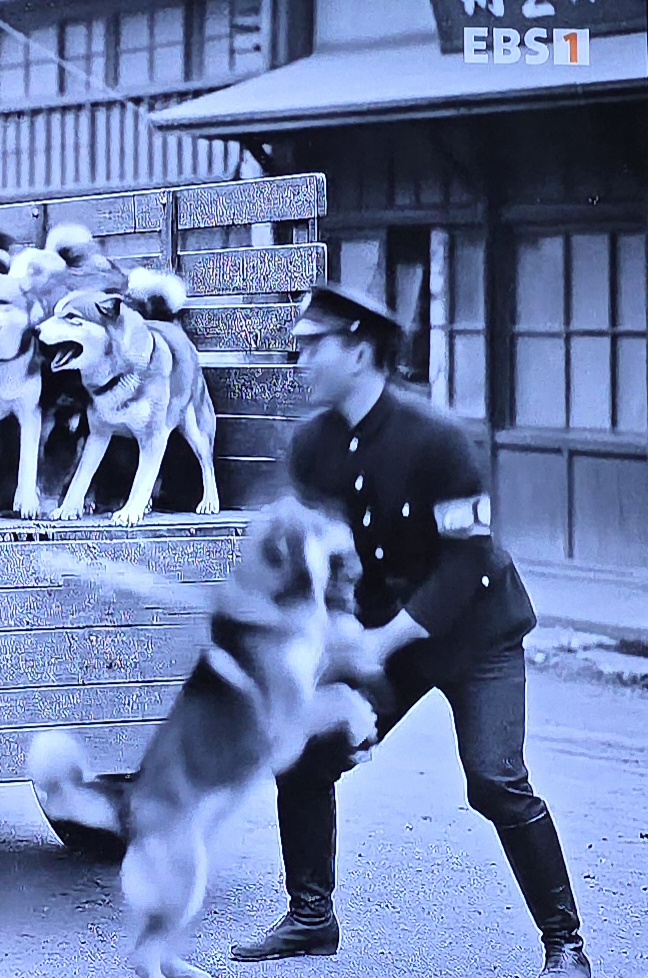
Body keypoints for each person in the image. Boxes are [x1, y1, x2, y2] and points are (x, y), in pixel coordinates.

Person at [228, 284, 591, 978]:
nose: (300, 360)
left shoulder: (436, 438)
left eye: (313, 346)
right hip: (383, 627)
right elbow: (318, 552)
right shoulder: (313, 445)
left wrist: (382, 639)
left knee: (494, 780)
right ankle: (311, 917)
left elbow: (469, 559)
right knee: (304, 751)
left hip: (477, 634)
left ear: (359, 351)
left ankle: (565, 944)